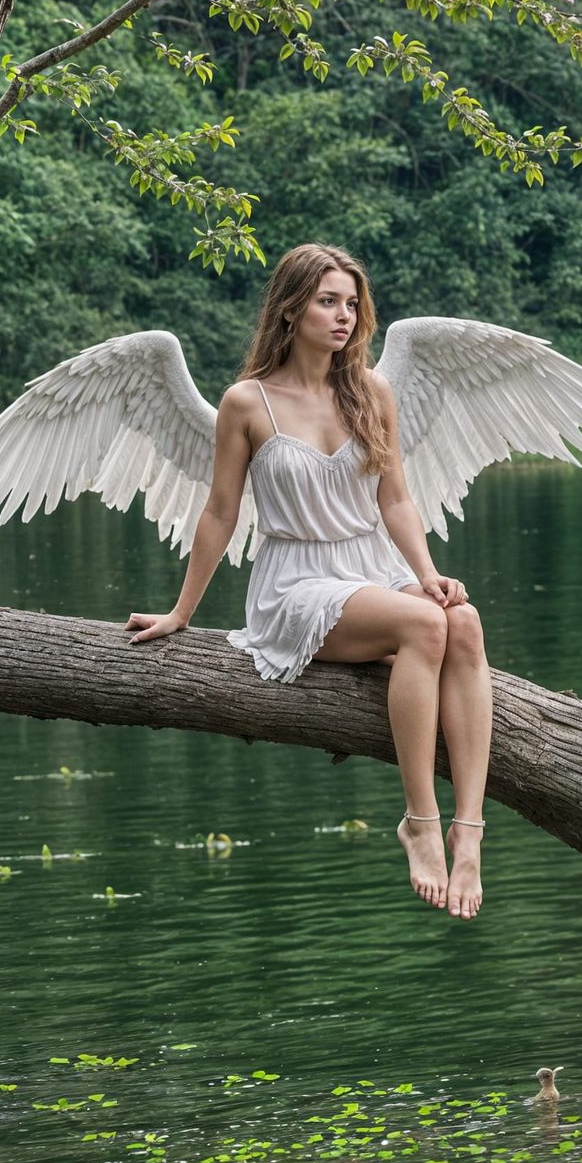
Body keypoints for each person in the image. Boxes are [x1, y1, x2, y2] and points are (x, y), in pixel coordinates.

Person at [125, 244, 492, 922]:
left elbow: (395, 500)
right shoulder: (247, 402)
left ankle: (467, 831)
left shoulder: (371, 392)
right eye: (328, 301)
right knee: (424, 624)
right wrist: (180, 613)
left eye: (352, 303)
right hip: (295, 586)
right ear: (292, 309)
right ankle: (420, 821)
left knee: (461, 621)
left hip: (372, 571)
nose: (344, 315)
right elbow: (220, 512)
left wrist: (428, 575)